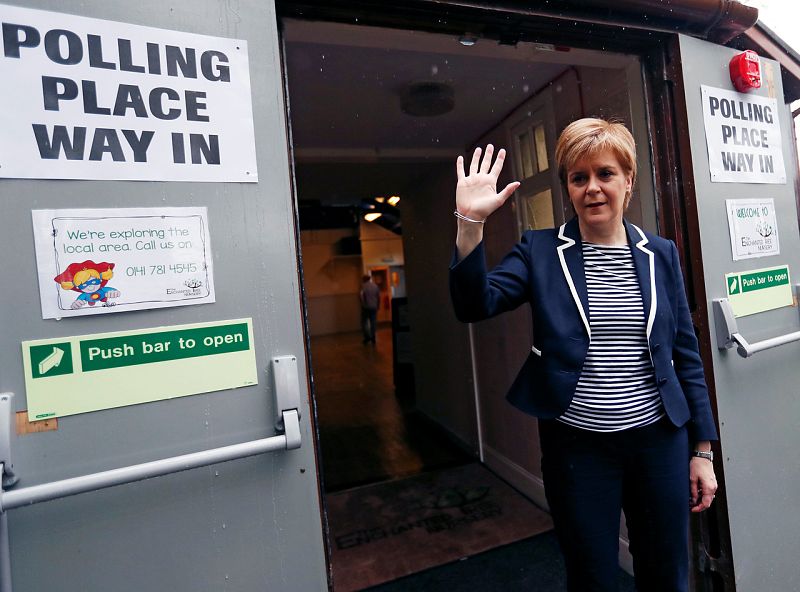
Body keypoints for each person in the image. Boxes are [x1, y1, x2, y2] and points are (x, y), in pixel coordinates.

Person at [449, 118, 718, 591]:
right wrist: (470, 225)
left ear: (628, 180)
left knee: (666, 573)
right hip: (578, 449)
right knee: (591, 576)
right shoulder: (540, 250)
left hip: (659, 443)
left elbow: (684, 354)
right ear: (568, 188)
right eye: (579, 178)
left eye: (605, 173)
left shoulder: (660, 253)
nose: (592, 188)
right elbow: (475, 304)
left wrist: (702, 450)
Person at [360, 274, 380, 344]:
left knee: (364, 323)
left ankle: (367, 337)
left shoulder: (363, 286)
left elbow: (362, 296)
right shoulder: (375, 286)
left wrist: (363, 304)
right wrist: (378, 305)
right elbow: (378, 297)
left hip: (366, 307)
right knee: (373, 322)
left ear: (364, 279)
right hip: (374, 307)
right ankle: (373, 337)